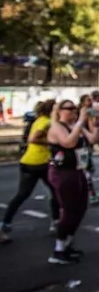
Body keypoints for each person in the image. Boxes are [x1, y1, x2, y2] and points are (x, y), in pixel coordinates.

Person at [47, 99, 99, 264]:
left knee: (80, 208)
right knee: (69, 210)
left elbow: (93, 139)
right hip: (63, 173)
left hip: (78, 170)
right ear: (60, 111)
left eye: (75, 108)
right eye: (69, 109)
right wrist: (80, 122)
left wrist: (94, 123)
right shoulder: (57, 127)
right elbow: (68, 142)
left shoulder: (76, 126)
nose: (73, 111)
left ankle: (68, 244)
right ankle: (58, 250)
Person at [2, 100, 60, 237]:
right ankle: (56, 222)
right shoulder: (47, 122)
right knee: (56, 191)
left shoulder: (39, 120)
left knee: (22, 195)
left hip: (28, 161)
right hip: (41, 162)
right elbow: (33, 139)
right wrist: (50, 142)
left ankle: (4, 224)